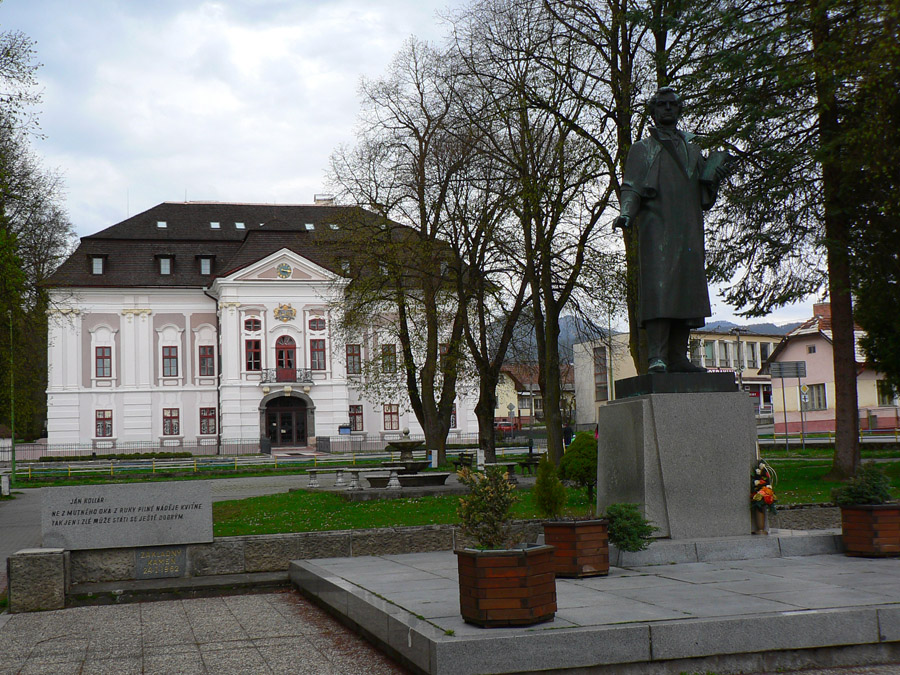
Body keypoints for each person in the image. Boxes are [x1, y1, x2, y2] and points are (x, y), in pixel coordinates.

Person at [615, 87, 730, 374]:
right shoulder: (643, 149)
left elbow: (704, 198)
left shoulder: (693, 147)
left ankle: (678, 356)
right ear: (653, 111)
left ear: (679, 110)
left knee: (686, 288)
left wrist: (714, 178)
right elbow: (631, 186)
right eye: (661, 104)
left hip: (688, 227)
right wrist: (626, 213)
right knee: (660, 288)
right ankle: (657, 356)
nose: (667, 109)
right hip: (657, 226)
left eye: (672, 104)